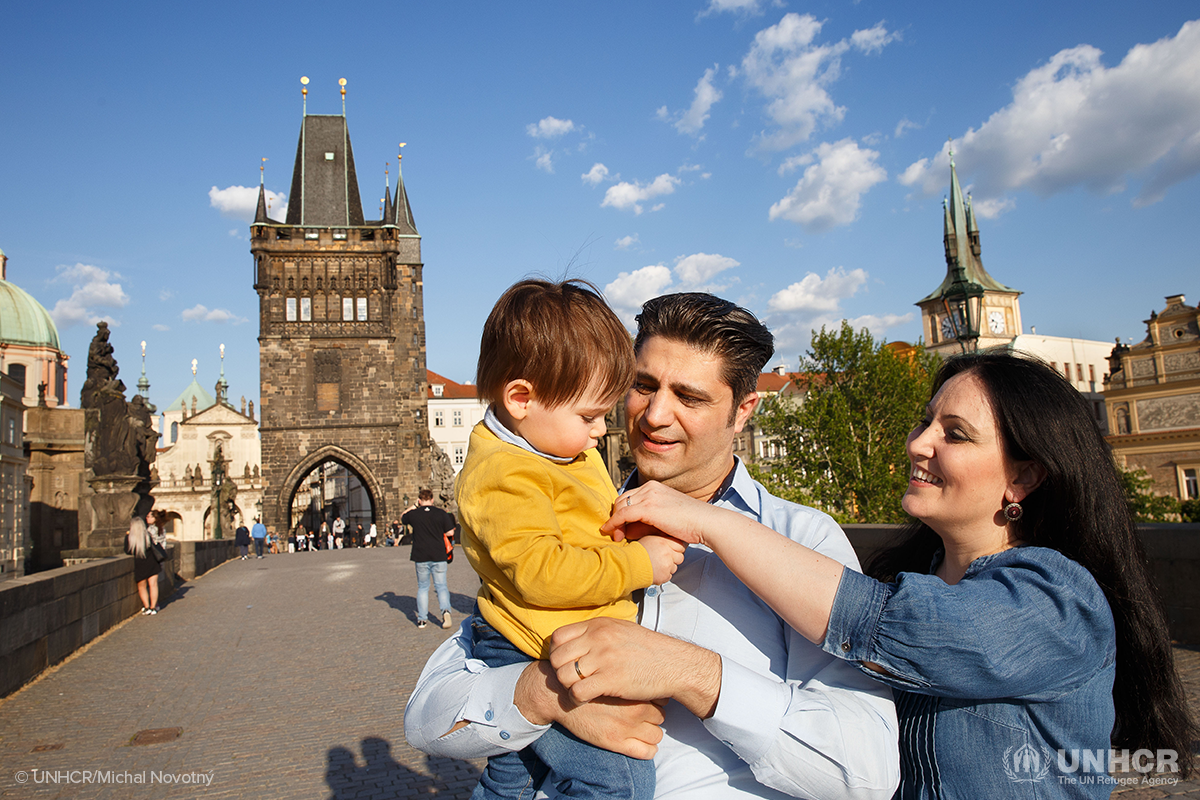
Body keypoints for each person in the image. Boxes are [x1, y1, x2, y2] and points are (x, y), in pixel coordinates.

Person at [599, 351, 1197, 798]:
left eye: (955, 434)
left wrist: (712, 523)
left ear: (1023, 478)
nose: (918, 443)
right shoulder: (916, 574)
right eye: (926, 421)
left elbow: (887, 623)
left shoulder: (1055, 600)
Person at [405, 292, 899, 800]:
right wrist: (540, 694)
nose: (655, 414)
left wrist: (694, 674)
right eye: (643, 386)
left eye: (689, 397)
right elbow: (426, 718)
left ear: (743, 410)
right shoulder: (561, 513)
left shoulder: (801, 539)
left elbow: (867, 771)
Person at [451, 279, 687, 800]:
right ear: (521, 398)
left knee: (512, 779)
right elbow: (542, 573)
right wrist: (638, 564)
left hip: (545, 637)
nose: (601, 430)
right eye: (589, 416)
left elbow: (587, 520)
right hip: (528, 643)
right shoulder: (504, 474)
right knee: (617, 779)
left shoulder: (555, 448)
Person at [403, 490, 457, 630]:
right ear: (432, 500)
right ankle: (445, 612)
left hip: (421, 556)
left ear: (420, 500)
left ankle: (422, 619)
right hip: (439, 555)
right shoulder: (440, 513)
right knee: (441, 586)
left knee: (423, 587)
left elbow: (403, 517)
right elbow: (450, 532)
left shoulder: (414, 514)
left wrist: (414, 506)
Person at [126, 511, 161, 615]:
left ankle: (146, 607)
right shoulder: (147, 535)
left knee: (142, 586)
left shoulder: (131, 538)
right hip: (152, 562)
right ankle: (153, 607)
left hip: (140, 563)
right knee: (153, 585)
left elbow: (127, 551)